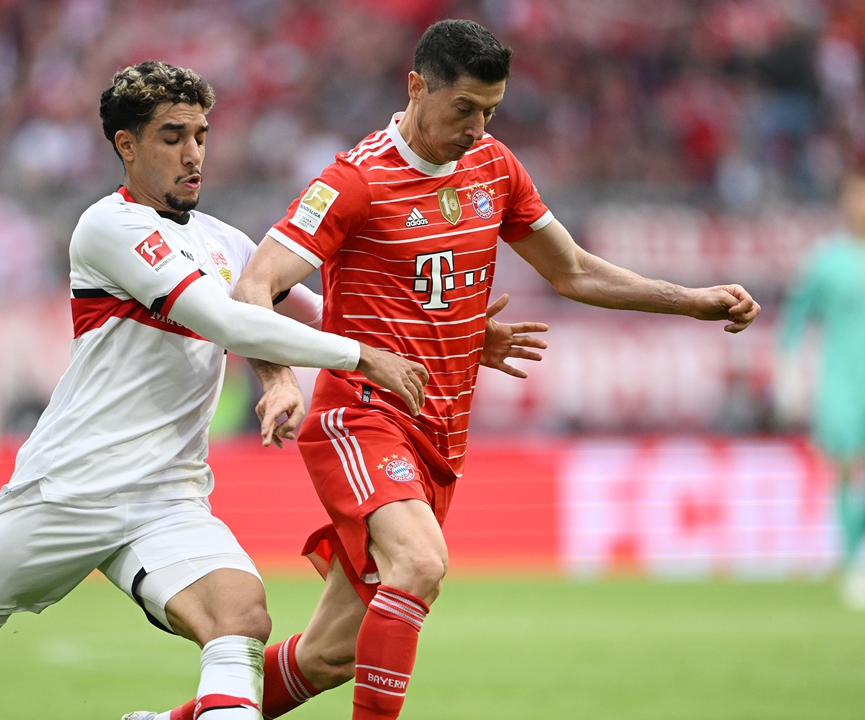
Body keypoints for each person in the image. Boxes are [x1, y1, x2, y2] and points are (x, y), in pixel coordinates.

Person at [135, 18, 760, 720]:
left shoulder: (495, 166)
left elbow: (575, 271)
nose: (477, 127)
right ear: (415, 86)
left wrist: (693, 301)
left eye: (491, 110)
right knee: (420, 565)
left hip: (440, 435)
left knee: (332, 654)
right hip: (361, 415)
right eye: (464, 108)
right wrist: (278, 379)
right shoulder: (356, 179)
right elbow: (255, 284)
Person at [0, 60, 432, 720]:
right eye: (172, 136)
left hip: (166, 494)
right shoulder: (109, 228)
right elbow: (224, 319)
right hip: (67, 490)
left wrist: (458, 334)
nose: (193, 153)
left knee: (241, 616)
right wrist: (359, 357)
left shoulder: (224, 239)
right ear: (126, 145)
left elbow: (314, 310)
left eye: (200, 134)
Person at [779, 169, 865, 610]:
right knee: (847, 468)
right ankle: (853, 563)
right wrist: (789, 370)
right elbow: (796, 316)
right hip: (843, 382)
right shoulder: (826, 259)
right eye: (855, 197)